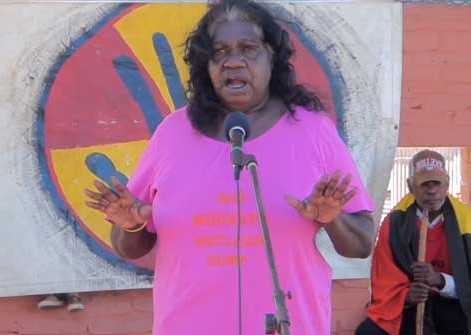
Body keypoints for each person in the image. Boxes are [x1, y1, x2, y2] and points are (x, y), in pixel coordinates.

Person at [84, 1, 376, 334]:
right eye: (219, 52)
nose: (233, 61)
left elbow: (362, 243)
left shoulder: (313, 131)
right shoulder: (172, 133)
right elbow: (131, 245)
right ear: (205, 64)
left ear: (272, 57)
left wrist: (333, 218)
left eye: (248, 49)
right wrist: (130, 225)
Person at [356, 150, 471, 334]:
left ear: (447, 183)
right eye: (425, 184)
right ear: (410, 185)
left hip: (455, 305)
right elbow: (384, 278)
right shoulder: (395, 222)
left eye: (437, 183)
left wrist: (440, 280)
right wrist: (407, 295)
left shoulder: (467, 221)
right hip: (409, 307)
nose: (432, 191)